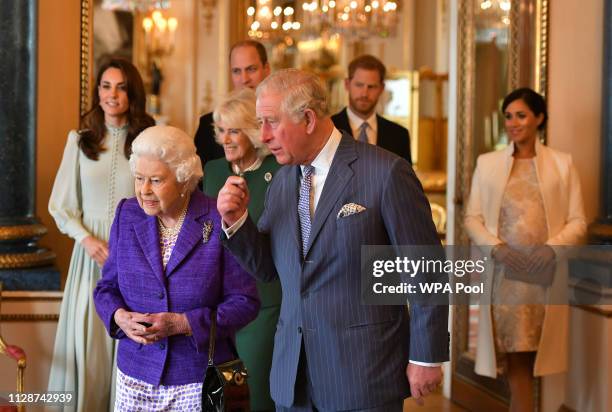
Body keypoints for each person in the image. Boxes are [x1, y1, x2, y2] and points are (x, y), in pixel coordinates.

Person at [217, 69, 449, 411]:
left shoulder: (386, 173)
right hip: (293, 378)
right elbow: (268, 269)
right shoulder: (282, 182)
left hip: (363, 375)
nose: (263, 136)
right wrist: (236, 223)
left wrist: (426, 356)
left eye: (271, 122)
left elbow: (425, 269)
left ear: (308, 119)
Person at [93, 125, 260, 410]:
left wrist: (183, 324)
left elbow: (246, 302)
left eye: (156, 180)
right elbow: (106, 288)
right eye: (139, 178)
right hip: (135, 375)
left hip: (198, 379)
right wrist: (118, 316)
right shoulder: (127, 213)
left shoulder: (217, 217)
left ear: (184, 179)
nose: (144, 190)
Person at [464, 88, 586, 411]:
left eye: (521, 115)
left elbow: (578, 222)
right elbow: (472, 219)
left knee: (538, 356)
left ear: (539, 118)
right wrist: (497, 249)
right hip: (506, 279)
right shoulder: (487, 164)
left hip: (545, 277)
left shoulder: (562, 164)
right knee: (516, 358)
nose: (513, 123)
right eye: (508, 116)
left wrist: (551, 249)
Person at [47, 57, 155, 412]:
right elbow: (61, 205)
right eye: (106, 86)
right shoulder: (79, 140)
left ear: (132, 93)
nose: (112, 94)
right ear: (97, 92)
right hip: (88, 257)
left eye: (121, 87)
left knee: (126, 344)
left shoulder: (147, 141)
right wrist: (86, 239)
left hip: (135, 259)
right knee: (89, 343)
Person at [202, 87, 281, 411]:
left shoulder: (279, 170)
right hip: (217, 304)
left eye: (235, 130)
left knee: (257, 395)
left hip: (264, 300)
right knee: (218, 396)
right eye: (221, 131)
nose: (226, 139)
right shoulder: (213, 170)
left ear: (252, 129)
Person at [194, 40, 271, 168]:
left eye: (251, 69)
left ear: (266, 69)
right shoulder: (208, 125)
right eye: (236, 71)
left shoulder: (279, 121)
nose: (244, 79)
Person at [331, 54, 412, 163]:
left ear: (382, 88)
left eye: (371, 87)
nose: (364, 93)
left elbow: (403, 179)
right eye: (359, 85)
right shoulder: (329, 128)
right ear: (347, 84)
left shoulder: (399, 135)